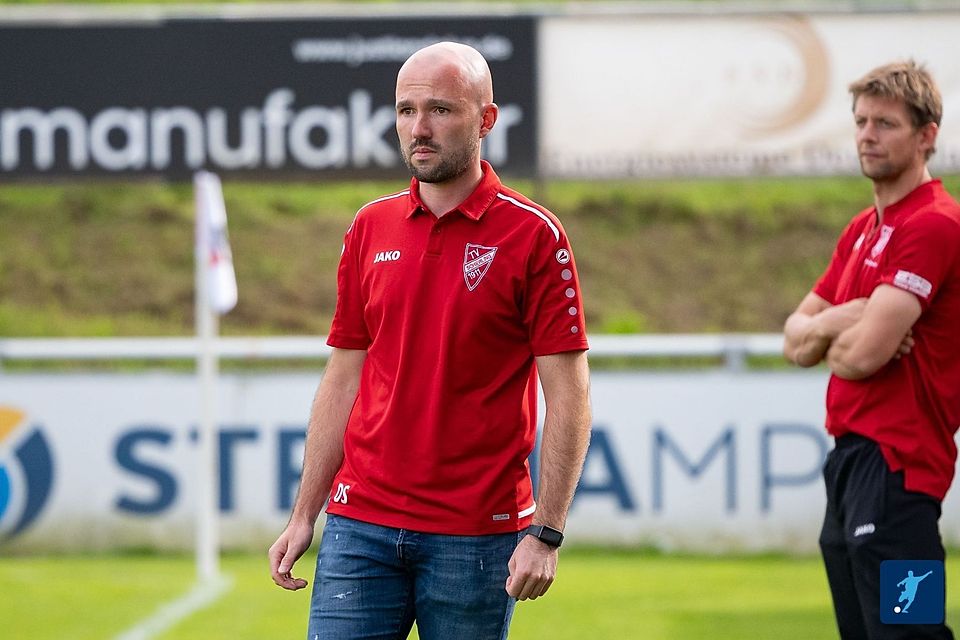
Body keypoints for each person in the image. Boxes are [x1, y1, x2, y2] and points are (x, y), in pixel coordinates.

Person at [268, 41, 592, 640]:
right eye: (406, 110)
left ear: (486, 120)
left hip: (476, 534)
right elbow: (344, 378)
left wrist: (547, 532)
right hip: (358, 524)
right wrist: (303, 515)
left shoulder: (534, 235)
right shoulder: (370, 226)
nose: (419, 127)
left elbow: (569, 396)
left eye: (441, 109)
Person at [783, 59, 960, 640]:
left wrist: (834, 334)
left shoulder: (933, 223)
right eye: (861, 121)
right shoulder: (862, 229)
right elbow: (794, 340)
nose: (867, 135)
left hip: (900, 468)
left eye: (885, 123)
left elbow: (860, 358)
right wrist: (848, 316)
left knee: (912, 632)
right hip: (851, 463)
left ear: (926, 135)